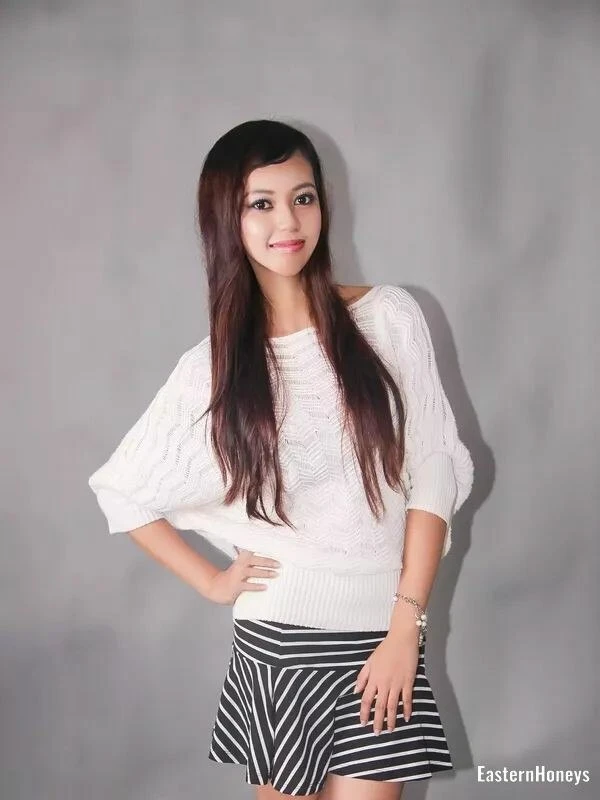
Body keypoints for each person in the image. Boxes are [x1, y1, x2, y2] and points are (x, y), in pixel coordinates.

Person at [88, 119, 474, 800]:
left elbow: (435, 471)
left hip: (383, 634)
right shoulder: (213, 369)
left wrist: (405, 628)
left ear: (324, 203)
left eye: (303, 197)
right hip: (281, 644)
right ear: (226, 221)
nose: (288, 221)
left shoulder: (388, 317)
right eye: (260, 204)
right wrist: (213, 583)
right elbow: (121, 490)